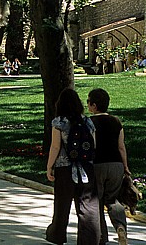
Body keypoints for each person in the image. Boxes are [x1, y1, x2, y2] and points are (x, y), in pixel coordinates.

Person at [45, 88, 100, 245]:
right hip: (86, 168)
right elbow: (94, 144)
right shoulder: (88, 121)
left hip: (64, 168)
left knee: (62, 204)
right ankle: (89, 240)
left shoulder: (59, 122)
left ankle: (57, 234)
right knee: (88, 206)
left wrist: (50, 167)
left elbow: (55, 147)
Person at [88, 88, 130, 245]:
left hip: (97, 164)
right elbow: (121, 147)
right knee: (112, 200)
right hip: (116, 165)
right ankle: (120, 227)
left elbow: (91, 145)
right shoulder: (116, 121)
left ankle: (101, 237)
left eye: (88, 102)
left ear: (94, 105)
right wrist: (125, 166)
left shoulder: (89, 122)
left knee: (96, 201)